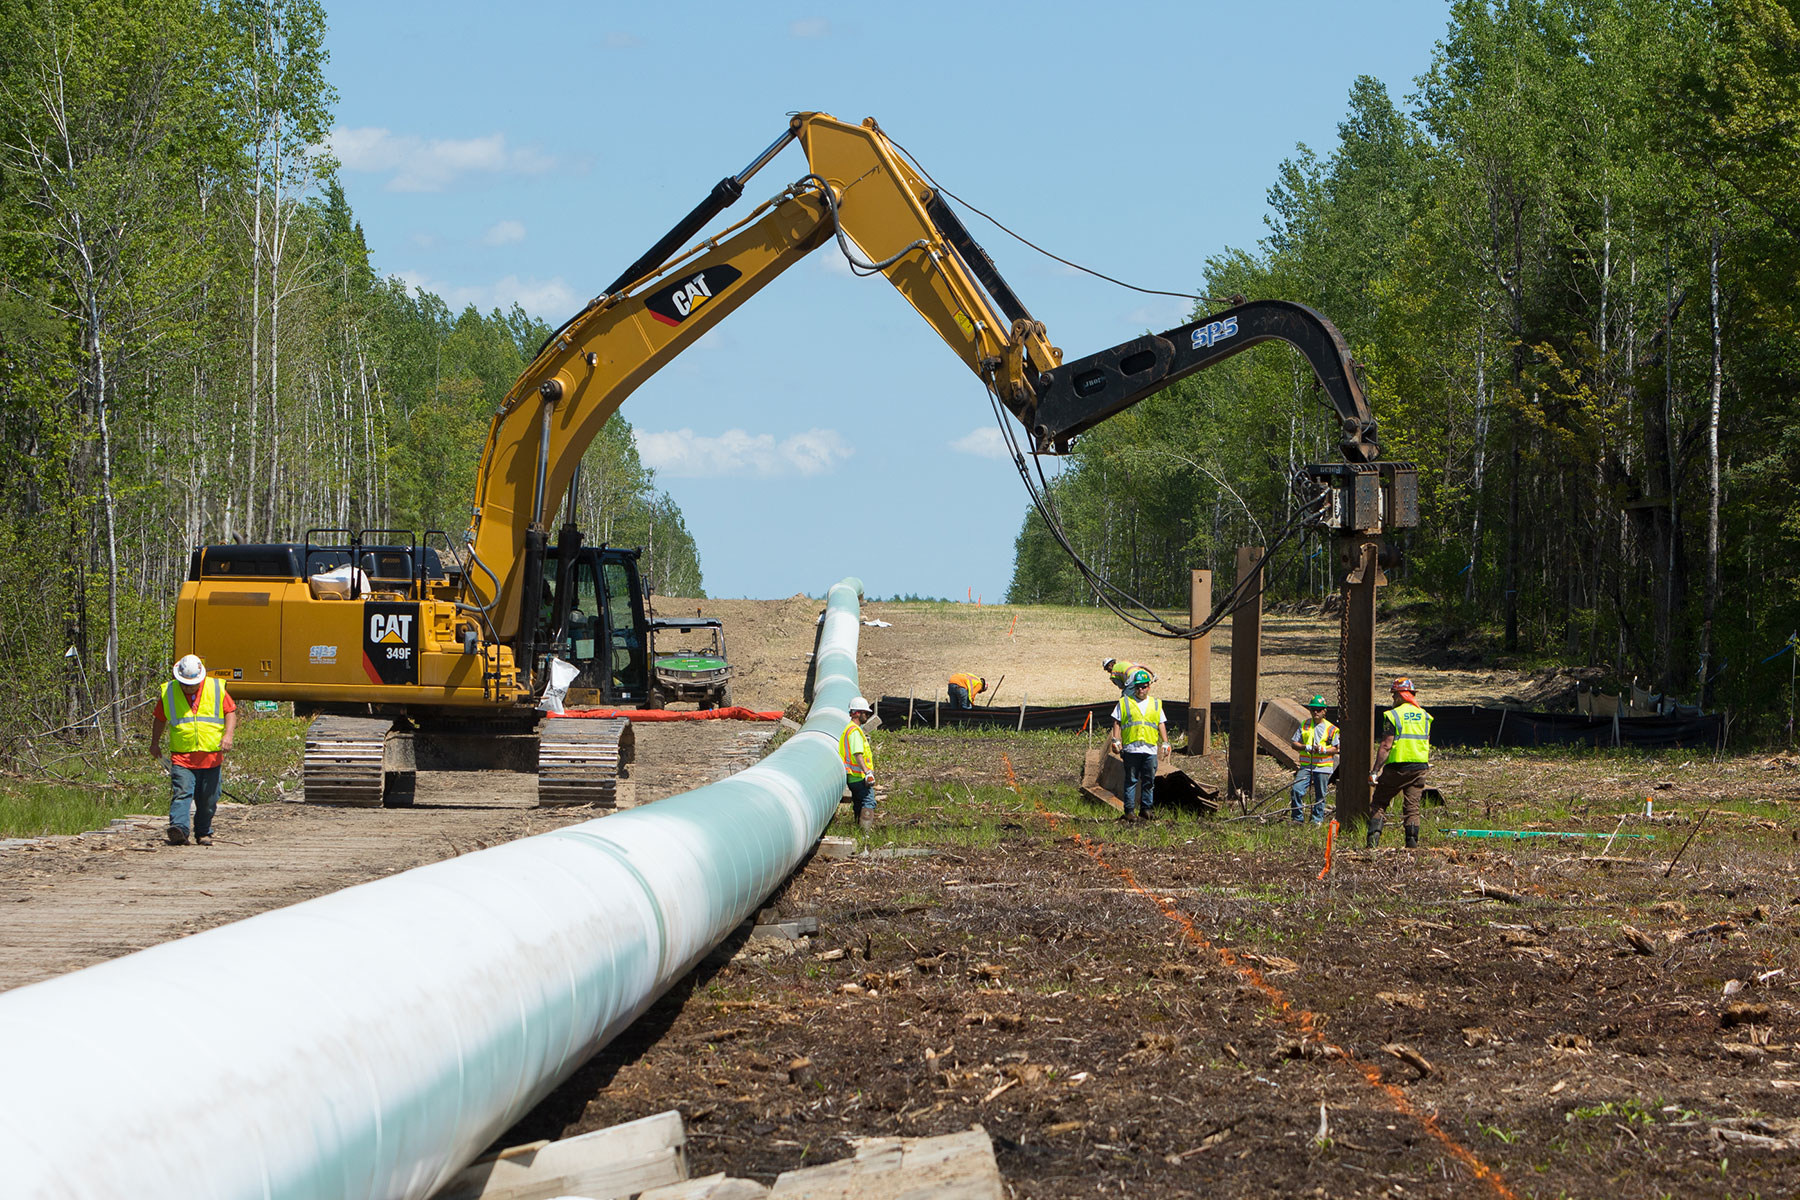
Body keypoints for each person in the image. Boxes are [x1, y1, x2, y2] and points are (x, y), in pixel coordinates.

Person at [149, 654, 237, 847]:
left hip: (211, 757)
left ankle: (204, 833)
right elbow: (160, 718)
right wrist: (155, 743)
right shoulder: (169, 692)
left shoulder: (215, 688)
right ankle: (179, 829)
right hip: (182, 757)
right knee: (182, 792)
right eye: (184, 683)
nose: (188, 687)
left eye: (192, 684)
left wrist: (228, 736)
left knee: (209, 799)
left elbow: (230, 711)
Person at [1369, 676, 1432, 848]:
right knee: (1412, 808)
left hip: (1397, 767)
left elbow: (1386, 745)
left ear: (1399, 696)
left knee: (1379, 803)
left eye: (1393, 695)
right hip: (1419, 768)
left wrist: (1375, 771)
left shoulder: (1393, 715)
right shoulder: (1425, 716)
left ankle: (1372, 844)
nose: (1392, 699)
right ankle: (1411, 847)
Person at [1109, 669, 1170, 820]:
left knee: (1148, 781)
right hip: (1131, 749)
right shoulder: (1124, 703)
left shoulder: (1155, 704)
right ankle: (1129, 811)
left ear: (1149, 687)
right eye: (1137, 687)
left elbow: (1161, 723)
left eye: (1143, 687)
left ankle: (1146, 809)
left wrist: (1165, 742)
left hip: (1149, 749)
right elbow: (1117, 721)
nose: (1140, 690)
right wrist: (1115, 740)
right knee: (1131, 781)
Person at [1290, 694, 1338, 825]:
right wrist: (1306, 747)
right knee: (1296, 790)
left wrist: (1323, 750)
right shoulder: (1305, 725)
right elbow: (1294, 743)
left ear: (1324, 711)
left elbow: (1337, 748)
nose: (1315, 712)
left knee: (1320, 795)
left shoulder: (1332, 729)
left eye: (1319, 709)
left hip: (1323, 767)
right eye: (1313, 709)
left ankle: (1317, 820)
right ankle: (1297, 819)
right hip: (1306, 766)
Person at [839, 696, 877, 831]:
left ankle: (858, 829)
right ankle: (864, 834)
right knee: (868, 801)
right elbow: (857, 754)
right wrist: (867, 772)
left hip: (853, 776)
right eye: (865, 713)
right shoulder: (854, 732)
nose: (867, 715)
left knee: (859, 803)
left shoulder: (850, 729)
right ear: (857, 713)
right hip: (859, 776)